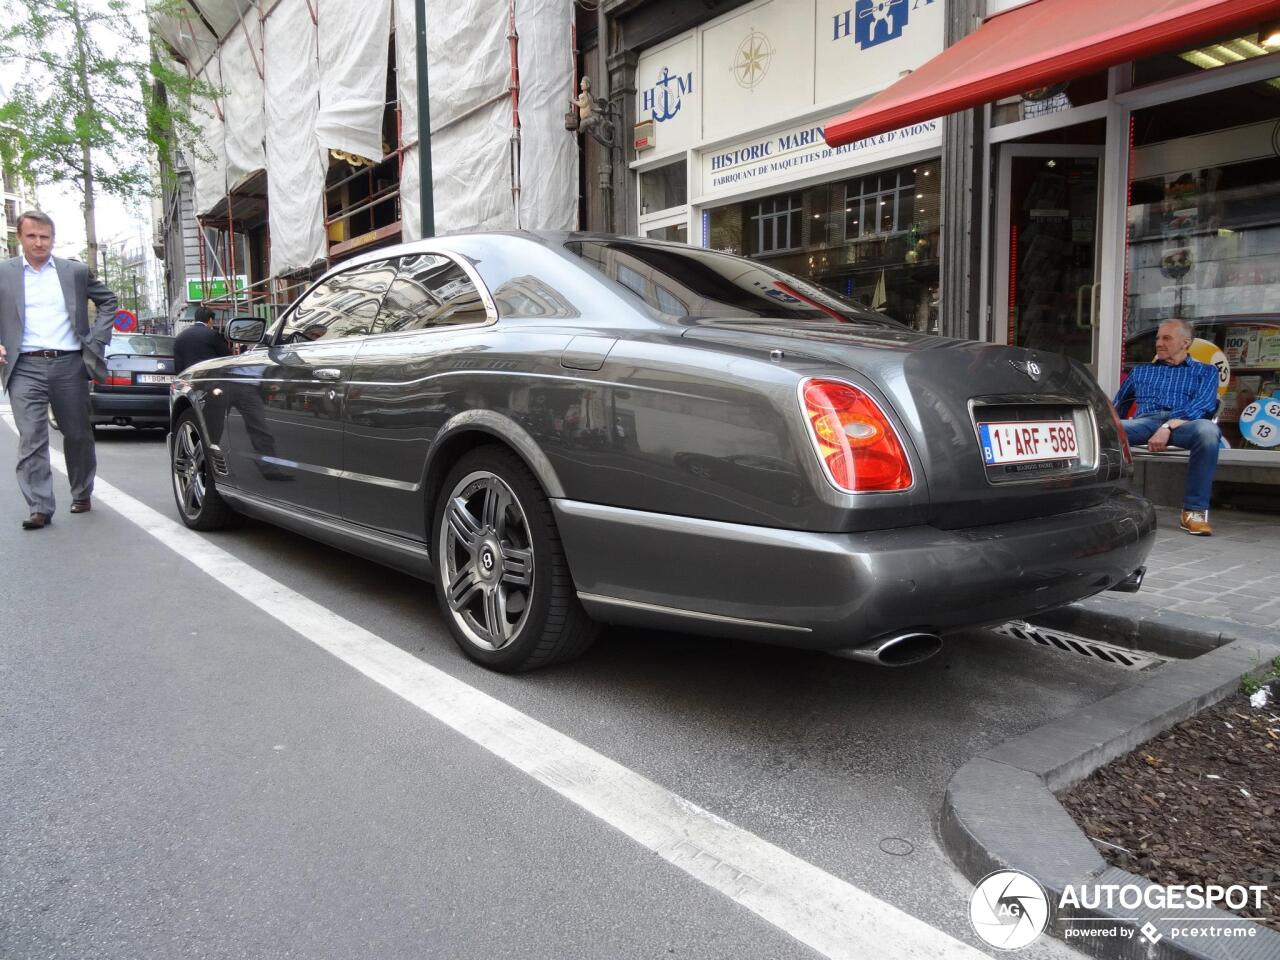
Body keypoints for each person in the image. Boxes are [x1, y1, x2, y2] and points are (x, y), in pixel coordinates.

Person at [0, 211, 118, 530]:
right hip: (23, 365)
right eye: (32, 236)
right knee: (31, 437)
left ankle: (82, 491)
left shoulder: (75, 271)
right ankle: (40, 506)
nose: (39, 242)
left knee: (78, 434)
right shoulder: (4, 273)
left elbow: (109, 301)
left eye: (45, 236)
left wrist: (95, 339)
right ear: (19, 238)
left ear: (53, 238)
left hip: (69, 363)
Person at [1112, 318, 1221, 536]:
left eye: (1167, 338)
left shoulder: (1206, 371)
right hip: (1145, 423)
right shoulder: (1141, 372)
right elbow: (1117, 408)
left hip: (1184, 425)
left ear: (1185, 342)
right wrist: (1112, 424)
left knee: (1208, 432)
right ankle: (1106, 506)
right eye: (1158, 338)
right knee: (1102, 432)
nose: (1159, 343)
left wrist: (1168, 426)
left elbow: (1204, 404)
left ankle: (1194, 512)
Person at [174, 305, 230, 372]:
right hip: (208, 376)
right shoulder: (212, 334)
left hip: (188, 377)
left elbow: (178, 363)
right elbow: (226, 355)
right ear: (210, 320)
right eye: (213, 321)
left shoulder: (180, 336)